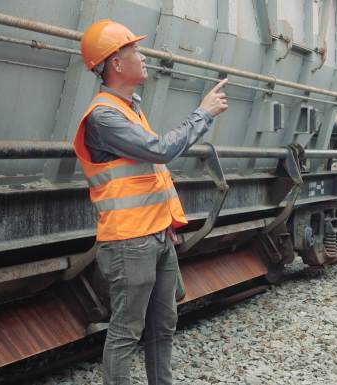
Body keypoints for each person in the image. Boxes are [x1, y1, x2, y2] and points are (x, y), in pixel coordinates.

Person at [73, 19, 228, 385]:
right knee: (127, 330)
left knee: (163, 324)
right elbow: (160, 151)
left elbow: (148, 175)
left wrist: (167, 225)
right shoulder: (104, 116)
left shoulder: (129, 109)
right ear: (115, 63)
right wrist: (202, 113)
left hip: (157, 236)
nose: (143, 57)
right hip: (129, 242)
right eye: (135, 51)